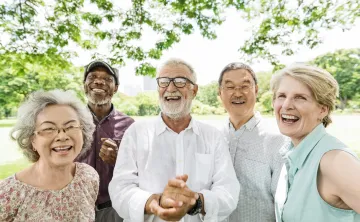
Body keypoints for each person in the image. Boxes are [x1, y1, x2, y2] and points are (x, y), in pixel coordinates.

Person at [109, 58, 240, 222]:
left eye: (180, 81)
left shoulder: (213, 137)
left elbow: (229, 192)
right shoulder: (136, 133)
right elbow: (120, 190)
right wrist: (154, 203)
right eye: (163, 82)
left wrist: (196, 202)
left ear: (194, 90)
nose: (170, 88)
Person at [271, 64, 360, 221]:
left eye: (300, 97)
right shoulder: (291, 155)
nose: (286, 105)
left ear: (323, 110)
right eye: (281, 96)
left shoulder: (334, 160)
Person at [0, 89, 99, 221]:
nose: (62, 136)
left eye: (70, 126)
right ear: (31, 139)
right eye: (48, 129)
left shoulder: (88, 177)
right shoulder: (8, 194)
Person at [217, 62, 288, 222]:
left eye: (244, 86)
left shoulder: (278, 140)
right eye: (229, 87)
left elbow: (285, 205)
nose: (237, 93)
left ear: (256, 89)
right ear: (220, 93)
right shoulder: (213, 138)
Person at [76, 60, 135, 222]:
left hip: (113, 208)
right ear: (84, 84)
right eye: (92, 76)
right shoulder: (70, 121)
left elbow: (141, 171)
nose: (99, 81)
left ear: (115, 88)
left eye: (107, 79)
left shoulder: (130, 125)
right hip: (75, 206)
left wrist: (119, 159)